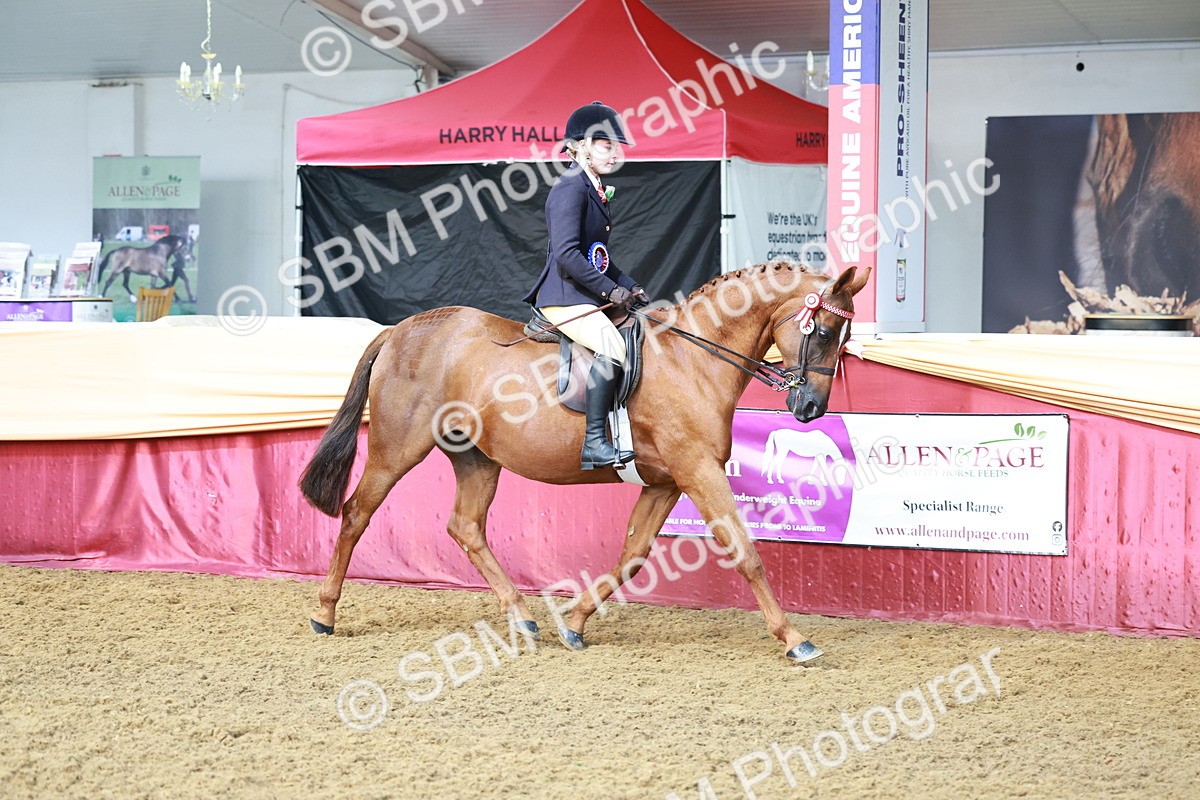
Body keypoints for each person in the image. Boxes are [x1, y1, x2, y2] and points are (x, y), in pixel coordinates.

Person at [522, 101, 649, 470]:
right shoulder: (570, 188)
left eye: (616, 145)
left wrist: (628, 284)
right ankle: (594, 442)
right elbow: (566, 255)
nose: (614, 152)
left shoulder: (592, 188)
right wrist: (611, 292)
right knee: (612, 345)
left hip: (584, 292)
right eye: (605, 144)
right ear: (579, 146)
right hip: (564, 296)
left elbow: (597, 255)